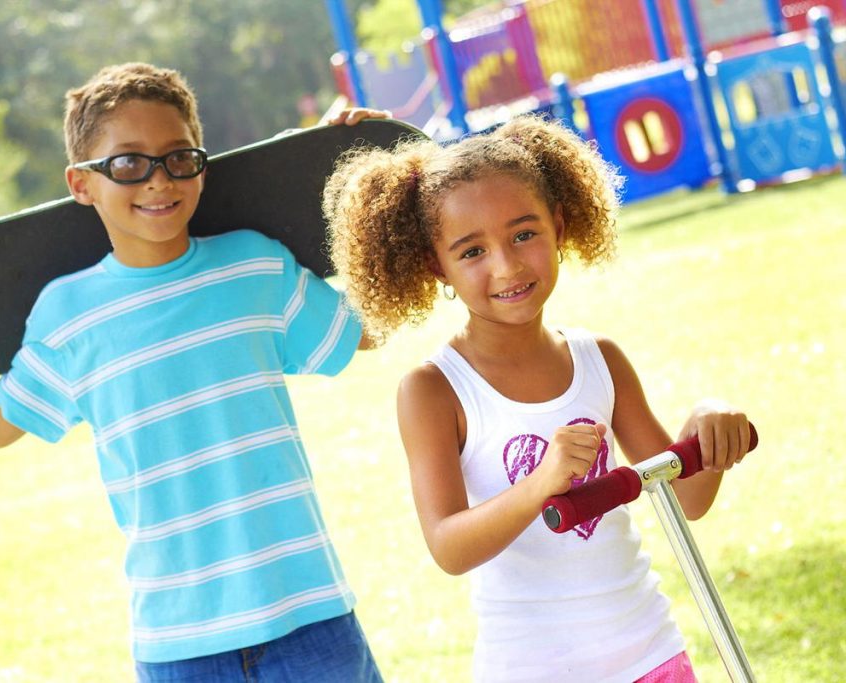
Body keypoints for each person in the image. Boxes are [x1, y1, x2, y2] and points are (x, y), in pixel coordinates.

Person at [0, 62, 389, 682]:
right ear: (81, 184)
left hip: (309, 618)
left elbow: (366, 331)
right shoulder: (67, 315)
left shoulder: (254, 266)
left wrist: (357, 182)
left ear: (201, 165)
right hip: (179, 646)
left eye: (179, 157)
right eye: (127, 163)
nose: (158, 179)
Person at [321, 114, 753, 683]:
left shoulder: (600, 359)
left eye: (524, 234)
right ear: (435, 265)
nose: (506, 266)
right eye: (472, 251)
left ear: (559, 225)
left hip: (650, 652)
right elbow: (449, 547)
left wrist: (706, 425)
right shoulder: (433, 390)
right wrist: (540, 484)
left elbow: (686, 499)